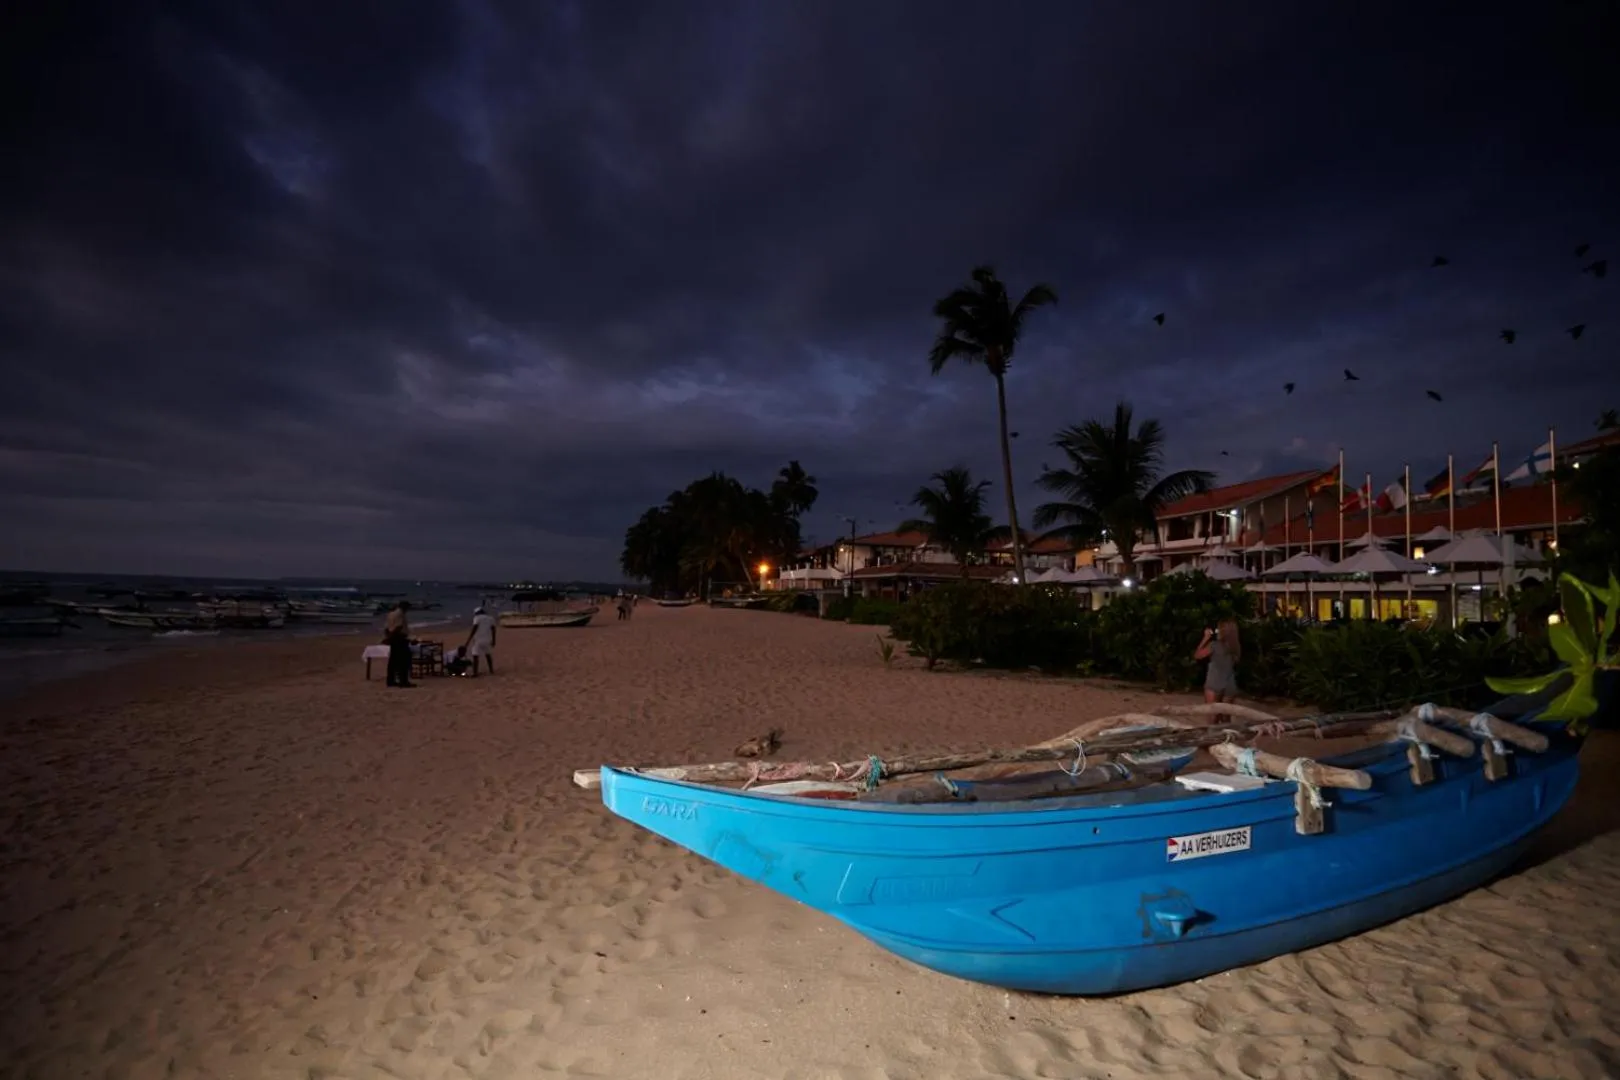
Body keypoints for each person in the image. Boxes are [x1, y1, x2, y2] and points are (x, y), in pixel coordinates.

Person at [1194, 618, 1241, 708]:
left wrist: (1205, 638)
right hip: (1229, 683)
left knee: (1213, 715)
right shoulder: (1235, 647)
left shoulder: (1214, 645)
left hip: (1214, 683)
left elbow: (1197, 655)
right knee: (1226, 716)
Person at [383, 600, 415, 688]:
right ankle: (403, 681)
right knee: (403, 661)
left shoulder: (391, 614)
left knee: (393, 661)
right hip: (399, 638)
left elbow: (386, 628)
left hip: (393, 638)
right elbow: (399, 626)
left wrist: (388, 637)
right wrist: (392, 637)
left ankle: (390, 680)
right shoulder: (400, 614)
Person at [465, 606, 497, 675]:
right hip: (487, 639)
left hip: (478, 640)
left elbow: (474, 628)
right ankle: (491, 670)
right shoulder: (490, 618)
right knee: (488, 655)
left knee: (475, 656)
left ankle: (475, 672)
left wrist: (468, 640)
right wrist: (494, 640)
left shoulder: (477, 618)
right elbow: (493, 630)